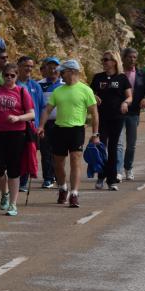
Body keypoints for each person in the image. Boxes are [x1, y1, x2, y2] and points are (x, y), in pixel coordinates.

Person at [38, 60, 99, 208]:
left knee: (75, 160)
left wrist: (95, 133)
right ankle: (63, 188)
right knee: (58, 163)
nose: (60, 75)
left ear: (72, 72)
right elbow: (47, 109)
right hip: (59, 129)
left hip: (77, 129)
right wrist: (41, 126)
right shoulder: (58, 90)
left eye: (63, 72)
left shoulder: (86, 90)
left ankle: (74, 194)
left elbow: (94, 113)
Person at [0, 63, 34, 216]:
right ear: (2, 76)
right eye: (6, 75)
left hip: (17, 133)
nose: (9, 78)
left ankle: (13, 204)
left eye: (12, 75)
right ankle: (5, 193)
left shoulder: (22, 91)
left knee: (14, 168)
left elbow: (31, 114)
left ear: (16, 76)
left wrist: (18, 118)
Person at [90, 51, 132, 191]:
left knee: (113, 148)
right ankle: (101, 176)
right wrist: (94, 96)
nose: (104, 62)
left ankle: (112, 180)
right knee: (101, 147)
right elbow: (89, 93)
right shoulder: (97, 78)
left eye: (107, 59)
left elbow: (129, 97)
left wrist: (125, 103)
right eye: (103, 59)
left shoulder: (121, 78)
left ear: (114, 61)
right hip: (101, 117)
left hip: (117, 117)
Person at [115, 47, 145, 181]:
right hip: (118, 112)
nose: (132, 59)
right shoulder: (118, 74)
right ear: (123, 58)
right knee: (118, 143)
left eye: (135, 57)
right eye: (129, 57)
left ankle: (128, 168)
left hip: (134, 112)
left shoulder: (142, 74)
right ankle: (118, 171)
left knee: (131, 144)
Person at [16, 56, 44, 192]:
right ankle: (15, 178)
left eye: (31, 66)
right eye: (26, 65)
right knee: (17, 154)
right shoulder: (14, 84)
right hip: (16, 125)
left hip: (32, 126)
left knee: (29, 153)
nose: (29, 69)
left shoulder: (35, 86)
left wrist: (41, 126)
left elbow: (42, 106)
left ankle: (23, 182)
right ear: (19, 66)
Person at [38, 57, 64, 189]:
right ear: (45, 69)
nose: (53, 70)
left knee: (58, 152)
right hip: (45, 123)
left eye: (55, 67)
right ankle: (48, 177)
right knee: (45, 151)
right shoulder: (39, 84)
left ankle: (57, 175)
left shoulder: (64, 84)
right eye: (50, 67)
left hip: (61, 123)